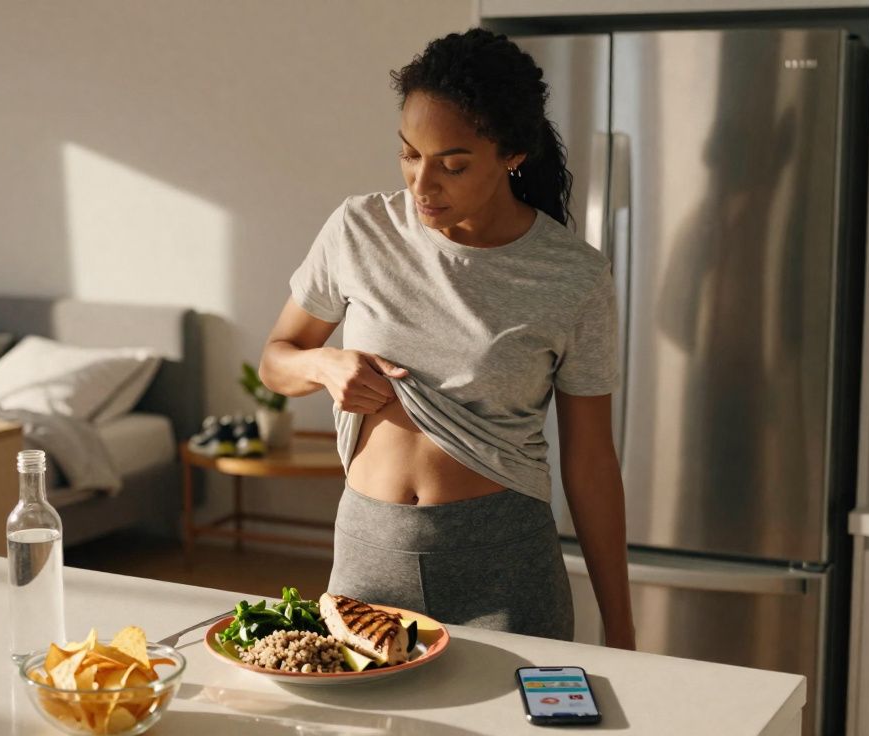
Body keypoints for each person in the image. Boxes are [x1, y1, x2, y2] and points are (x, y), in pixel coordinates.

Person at [258, 28, 634, 647]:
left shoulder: (574, 275)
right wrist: (326, 367)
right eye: (409, 154)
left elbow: (592, 460)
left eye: (452, 164)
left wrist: (619, 622)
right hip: (367, 552)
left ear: (512, 154)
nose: (421, 185)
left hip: (504, 562)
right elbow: (277, 359)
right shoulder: (359, 228)